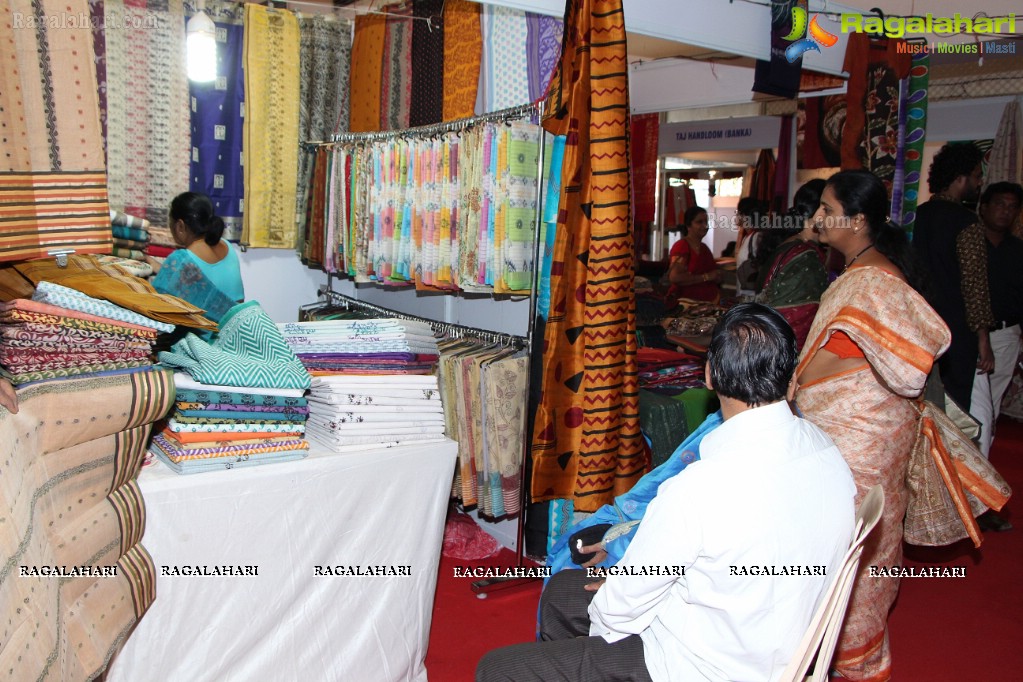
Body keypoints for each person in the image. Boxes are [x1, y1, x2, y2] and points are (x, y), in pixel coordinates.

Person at [477, 303, 856, 682]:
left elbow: (621, 609)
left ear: (708, 375)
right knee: (563, 593)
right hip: (777, 641)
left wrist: (623, 592)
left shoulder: (700, 486)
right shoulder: (830, 454)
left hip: (702, 665)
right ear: (791, 381)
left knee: (496, 670)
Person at [796, 170, 951, 682]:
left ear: (857, 220)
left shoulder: (871, 281)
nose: (818, 218)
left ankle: (853, 659)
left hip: (861, 438)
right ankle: (835, 654)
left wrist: (796, 385)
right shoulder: (861, 274)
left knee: (852, 547)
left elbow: (858, 363)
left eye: (826, 208)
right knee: (855, 547)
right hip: (862, 437)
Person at [912, 143, 986, 413]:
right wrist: (983, 339)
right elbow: (974, 284)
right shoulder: (967, 223)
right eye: (977, 176)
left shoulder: (915, 217)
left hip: (919, 322)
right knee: (954, 409)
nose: (979, 183)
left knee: (920, 404)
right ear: (960, 178)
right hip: (955, 328)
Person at [958, 184, 1023, 458]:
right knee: (967, 404)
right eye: (1000, 204)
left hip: (1006, 334)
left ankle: (981, 465)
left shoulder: (1018, 250)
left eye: (1011, 206)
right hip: (969, 334)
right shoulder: (967, 243)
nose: (1005, 211)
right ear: (983, 208)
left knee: (990, 406)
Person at [754, 179, 828, 348]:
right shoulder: (805, 256)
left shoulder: (790, 244)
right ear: (819, 212)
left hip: (767, 341)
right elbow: (798, 322)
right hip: (783, 349)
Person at [151, 192, 244, 322]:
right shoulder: (227, 246)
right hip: (233, 333)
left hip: (204, 338)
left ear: (180, 226)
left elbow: (155, 306)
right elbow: (206, 277)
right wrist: (159, 267)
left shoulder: (181, 259)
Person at [665, 206, 719, 305]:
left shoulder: (704, 248)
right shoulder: (681, 246)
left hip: (707, 303)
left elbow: (714, 274)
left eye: (706, 222)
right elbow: (675, 277)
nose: (704, 226)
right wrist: (706, 277)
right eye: (699, 222)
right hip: (686, 305)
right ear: (688, 225)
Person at [734, 197, 769, 296]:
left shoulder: (757, 237)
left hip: (752, 295)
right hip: (745, 293)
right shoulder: (748, 237)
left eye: (738, 212)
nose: (737, 215)